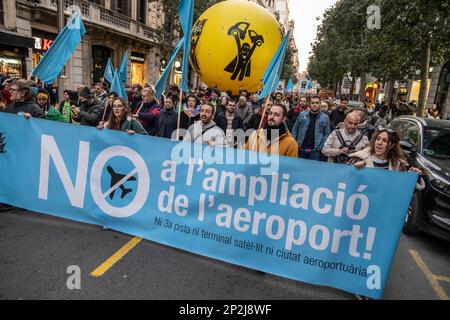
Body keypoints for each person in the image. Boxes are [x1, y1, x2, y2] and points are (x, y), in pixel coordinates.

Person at [348, 129, 425, 190]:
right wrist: (354, 169)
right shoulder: (358, 159)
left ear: (392, 145)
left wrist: (414, 177)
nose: (379, 143)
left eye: (385, 140)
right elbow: (345, 182)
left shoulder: (399, 166)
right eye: (378, 139)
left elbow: (405, 192)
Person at [292, 95, 330, 161]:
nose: (314, 105)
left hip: (315, 150)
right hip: (300, 148)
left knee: (312, 169)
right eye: (312, 103)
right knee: (299, 168)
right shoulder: (302, 114)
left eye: (317, 103)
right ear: (309, 104)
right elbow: (295, 129)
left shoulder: (325, 117)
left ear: (320, 104)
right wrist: (294, 144)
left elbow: (327, 134)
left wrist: (320, 147)